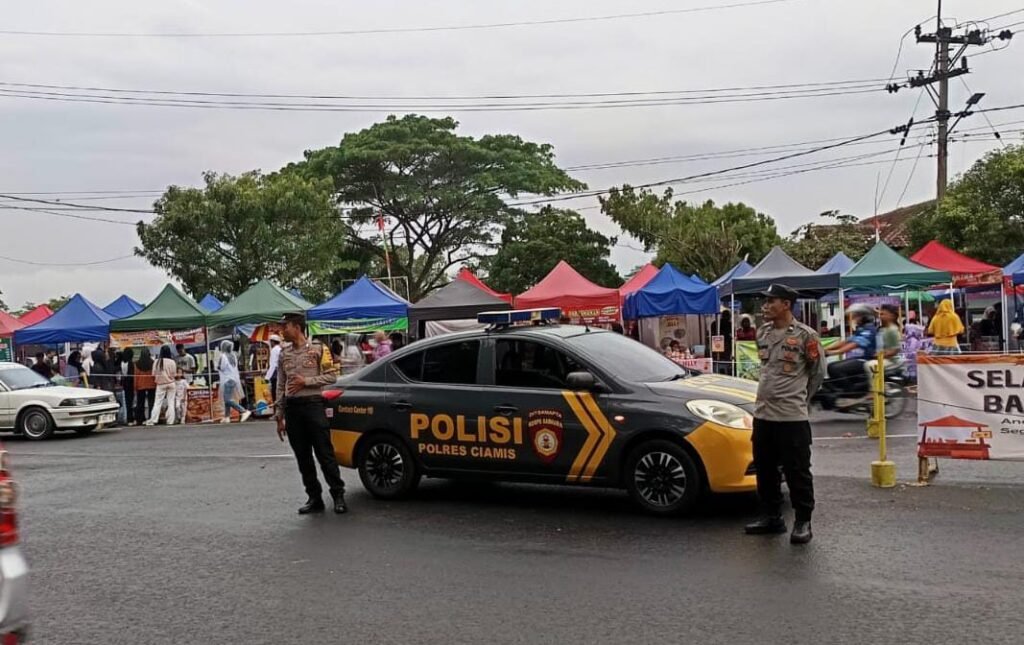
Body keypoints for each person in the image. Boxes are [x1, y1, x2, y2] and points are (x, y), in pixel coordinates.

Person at [745, 284, 825, 545]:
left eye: (771, 301)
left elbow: (817, 374)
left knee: (797, 471)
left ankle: (803, 520)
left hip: (791, 417)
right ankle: (771, 517)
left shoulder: (806, 336)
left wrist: (800, 398)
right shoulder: (764, 333)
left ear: (787, 304)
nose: (766, 306)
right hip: (764, 415)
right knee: (765, 469)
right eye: (765, 302)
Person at [276, 312, 346, 515]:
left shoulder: (318, 349)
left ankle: (338, 494)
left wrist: (306, 382)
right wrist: (279, 415)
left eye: (285, 326)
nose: (283, 330)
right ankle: (314, 497)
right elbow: (281, 385)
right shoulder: (283, 353)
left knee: (325, 454)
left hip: (314, 405)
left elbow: (331, 376)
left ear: (297, 327)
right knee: (302, 457)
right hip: (293, 409)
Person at [824, 303, 877, 401]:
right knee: (832, 367)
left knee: (834, 368)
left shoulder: (869, 329)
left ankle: (849, 393)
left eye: (857, 316)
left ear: (865, 316)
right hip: (863, 358)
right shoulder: (862, 328)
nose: (855, 318)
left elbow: (854, 344)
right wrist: (824, 348)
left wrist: (832, 353)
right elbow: (847, 341)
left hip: (869, 360)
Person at [218, 339, 251, 423]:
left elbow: (222, 367)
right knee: (227, 398)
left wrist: (217, 366)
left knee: (227, 399)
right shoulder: (233, 356)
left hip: (227, 379)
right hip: (233, 379)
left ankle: (243, 411)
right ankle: (227, 416)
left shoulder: (223, 356)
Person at [145, 345, 178, 427]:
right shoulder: (172, 362)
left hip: (160, 384)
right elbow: (174, 374)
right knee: (171, 402)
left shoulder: (156, 362)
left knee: (157, 402)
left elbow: (153, 374)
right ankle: (170, 421)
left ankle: (153, 420)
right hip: (171, 383)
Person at [134, 349, 156, 423]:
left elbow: (136, 376)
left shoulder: (137, 364)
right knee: (151, 403)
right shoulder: (153, 363)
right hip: (151, 385)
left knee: (140, 403)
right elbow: (154, 375)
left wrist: (135, 386)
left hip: (140, 385)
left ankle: (140, 419)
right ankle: (151, 417)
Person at [708, 310, 733, 375]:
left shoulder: (729, 324)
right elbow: (712, 334)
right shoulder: (715, 323)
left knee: (724, 358)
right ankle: (722, 370)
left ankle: (725, 370)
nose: (728, 317)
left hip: (724, 344)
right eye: (727, 316)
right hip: (719, 344)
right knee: (720, 358)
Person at [120, 348, 137, 426]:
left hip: (124, 383)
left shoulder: (122, 362)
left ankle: (127, 418)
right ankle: (131, 419)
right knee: (131, 402)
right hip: (130, 384)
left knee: (127, 402)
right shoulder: (130, 363)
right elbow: (131, 375)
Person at [265, 334, 283, 402]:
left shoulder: (274, 350)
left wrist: (267, 377)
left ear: (273, 342)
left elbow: (273, 365)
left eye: (270, 342)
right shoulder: (280, 349)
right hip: (280, 373)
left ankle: (276, 408)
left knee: (274, 392)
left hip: (275, 374)